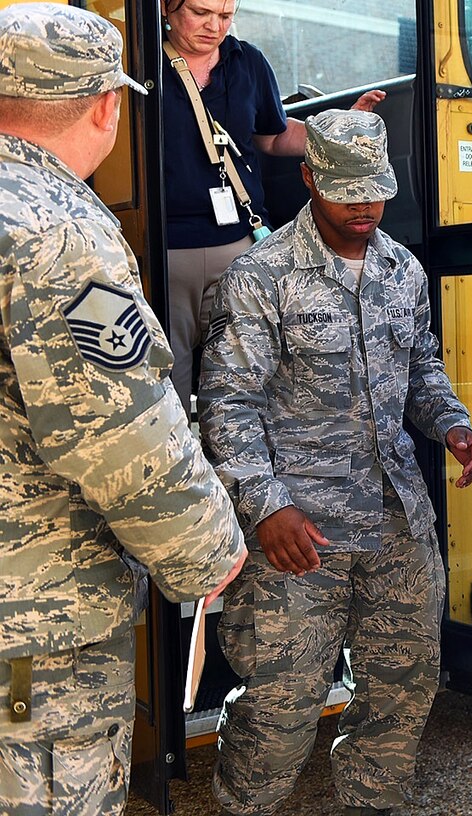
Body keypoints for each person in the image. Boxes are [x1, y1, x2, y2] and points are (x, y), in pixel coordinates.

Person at [198, 108, 472, 816]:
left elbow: (420, 367)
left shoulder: (402, 269)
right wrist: (267, 507)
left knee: (401, 690)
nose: (365, 208)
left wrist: (450, 423)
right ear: (308, 178)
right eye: (347, 193)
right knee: (281, 708)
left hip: (396, 526)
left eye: (376, 191)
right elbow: (228, 406)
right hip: (300, 535)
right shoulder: (260, 277)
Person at [0, 5, 247, 815]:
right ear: (107, 106)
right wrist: (210, 553)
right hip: (36, 633)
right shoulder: (58, 231)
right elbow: (123, 435)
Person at [160, 0, 385, 413]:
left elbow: (273, 137)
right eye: (200, 12)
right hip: (166, 249)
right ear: (165, 7)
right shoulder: (141, 65)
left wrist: (337, 129)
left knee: (243, 377)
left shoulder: (249, 62)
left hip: (240, 245)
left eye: (226, 16)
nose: (214, 25)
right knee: (169, 381)